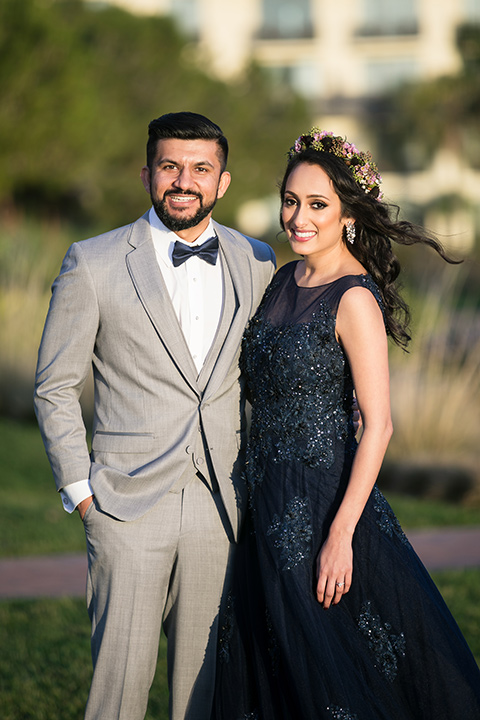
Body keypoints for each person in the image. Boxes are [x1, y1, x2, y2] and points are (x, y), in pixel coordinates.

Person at [211, 129, 480, 719]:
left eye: (316, 205)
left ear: (348, 215)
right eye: (290, 201)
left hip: (324, 506)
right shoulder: (283, 280)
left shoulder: (354, 298)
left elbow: (379, 425)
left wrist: (339, 538)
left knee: (333, 675)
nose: (297, 218)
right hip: (264, 501)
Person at [33, 111, 276, 720]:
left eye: (200, 169)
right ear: (148, 173)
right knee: (117, 696)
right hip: (125, 508)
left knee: (208, 695)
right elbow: (55, 386)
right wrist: (84, 494)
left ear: (223, 182)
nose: (183, 180)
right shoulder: (93, 262)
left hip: (223, 509)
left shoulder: (258, 260)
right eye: (170, 166)